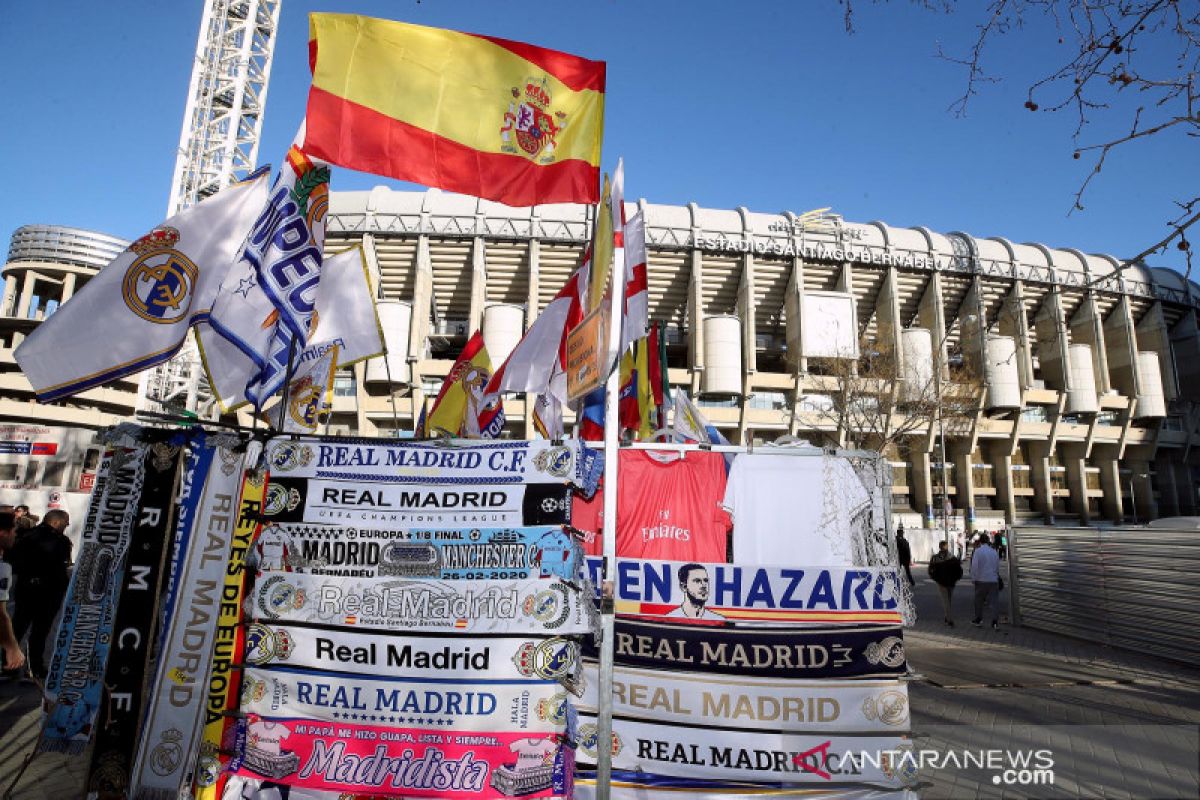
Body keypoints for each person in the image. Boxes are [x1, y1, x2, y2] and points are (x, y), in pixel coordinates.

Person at [9, 509, 72, 679]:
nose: (68, 524)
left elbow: (13, 560)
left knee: (18, 627)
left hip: (26, 589)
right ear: (56, 522)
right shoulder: (61, 541)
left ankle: (8, 664)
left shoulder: (26, 536)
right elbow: (61, 567)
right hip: (48, 593)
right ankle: (33, 668)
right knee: (39, 632)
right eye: (66, 521)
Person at [0, 511, 26, 673]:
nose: (15, 535)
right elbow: (0, 614)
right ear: (2, 533)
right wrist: (12, 648)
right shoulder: (2, 568)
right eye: (14, 531)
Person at [969, 532, 1002, 630]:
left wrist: (973, 578)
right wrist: (995, 576)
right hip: (993, 580)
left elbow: (974, 566)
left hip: (981, 580)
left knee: (978, 601)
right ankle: (995, 621)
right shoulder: (994, 551)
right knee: (994, 602)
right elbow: (997, 566)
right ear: (988, 541)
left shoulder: (978, 551)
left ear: (980, 541)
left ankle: (979, 619)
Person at [927, 540, 963, 626]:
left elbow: (930, 570)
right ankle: (948, 617)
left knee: (946, 601)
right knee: (948, 600)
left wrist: (936, 579)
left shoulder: (935, 558)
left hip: (941, 582)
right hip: (951, 582)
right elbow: (959, 570)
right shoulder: (952, 557)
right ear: (947, 547)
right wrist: (956, 579)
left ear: (939, 547)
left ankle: (949, 618)